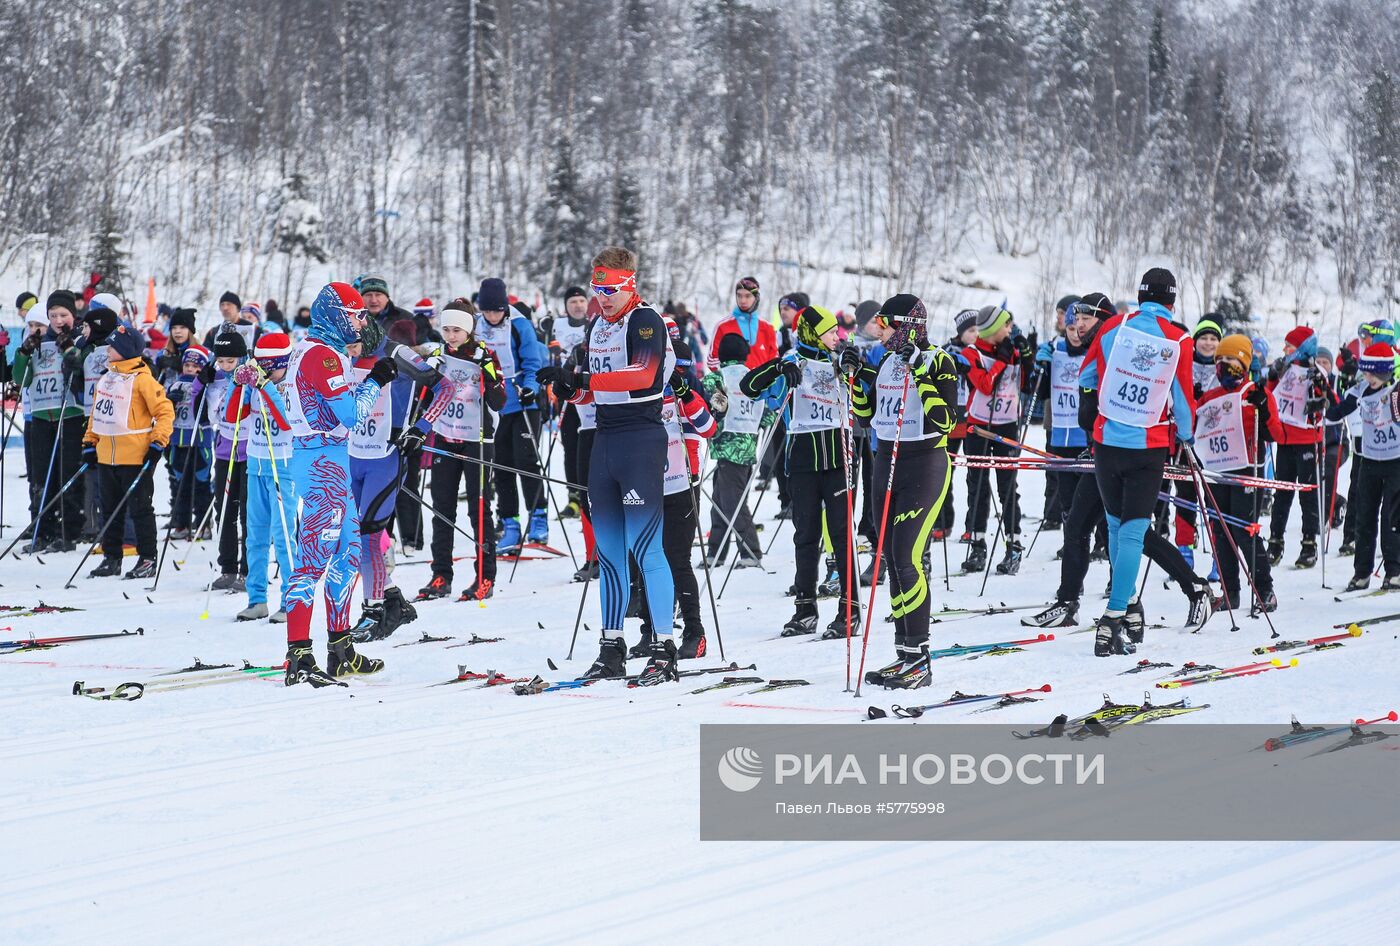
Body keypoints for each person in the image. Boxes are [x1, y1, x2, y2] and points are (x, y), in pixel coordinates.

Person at [547, 247, 678, 683]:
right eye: (597, 288)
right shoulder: (598, 325)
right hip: (604, 439)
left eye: (611, 290)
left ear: (630, 284)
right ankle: (611, 647)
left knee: (646, 549)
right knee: (608, 554)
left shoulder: (645, 320)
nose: (602, 297)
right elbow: (595, 391)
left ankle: (664, 648)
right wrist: (568, 389)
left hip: (641, 438)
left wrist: (585, 380)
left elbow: (643, 374)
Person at [283, 282, 399, 685]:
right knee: (313, 560)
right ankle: (298, 653)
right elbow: (349, 414)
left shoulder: (322, 351)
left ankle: (340, 646)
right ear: (336, 316)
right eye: (356, 315)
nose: (362, 321)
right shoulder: (323, 357)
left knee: (349, 553)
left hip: (331, 458)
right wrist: (376, 381)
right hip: (320, 461)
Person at [1079, 267, 1197, 656]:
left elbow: (1088, 375)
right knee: (1131, 532)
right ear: (1171, 301)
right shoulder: (1179, 338)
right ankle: (1113, 618)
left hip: (1107, 443)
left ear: (1141, 295)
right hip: (1146, 448)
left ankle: (1129, 609)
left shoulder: (1113, 325)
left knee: (1115, 528)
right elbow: (1182, 399)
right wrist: (1186, 434)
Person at [850, 294, 959, 689]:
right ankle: (905, 654)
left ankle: (921, 657)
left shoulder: (939, 360)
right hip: (886, 463)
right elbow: (866, 416)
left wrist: (919, 371)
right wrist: (855, 377)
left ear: (908, 326)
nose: (880, 331)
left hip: (924, 462)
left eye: (887, 325)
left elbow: (946, 420)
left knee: (907, 557)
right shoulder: (885, 362)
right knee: (890, 558)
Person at [742, 305, 858, 638]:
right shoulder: (794, 361)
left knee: (840, 534)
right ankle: (805, 609)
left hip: (838, 459)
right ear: (811, 333)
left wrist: (856, 364)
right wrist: (779, 368)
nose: (837, 335)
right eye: (830, 331)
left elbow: (870, 386)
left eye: (837, 330)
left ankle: (849, 610)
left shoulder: (842, 361)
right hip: (803, 461)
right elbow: (751, 386)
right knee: (805, 536)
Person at [409, 299, 507, 603]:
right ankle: (441, 574)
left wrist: (488, 373)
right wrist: (427, 375)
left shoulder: (484, 355)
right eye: (447, 329)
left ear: (468, 330)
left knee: (479, 510)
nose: (451, 335)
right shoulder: (437, 354)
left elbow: (500, 401)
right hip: (445, 436)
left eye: (457, 330)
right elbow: (422, 397)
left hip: (477, 438)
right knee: (442, 508)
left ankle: (484, 576)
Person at [631, 339, 716, 659]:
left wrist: (685, 393)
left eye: (679, 369)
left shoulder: (688, 392)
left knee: (677, 560)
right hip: (647, 485)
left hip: (682, 484)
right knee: (645, 559)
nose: (672, 373)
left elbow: (708, 427)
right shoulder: (645, 391)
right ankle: (650, 630)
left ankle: (695, 632)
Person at [1194, 334, 1282, 612]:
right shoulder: (1211, 396)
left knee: (1244, 532)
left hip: (1247, 469)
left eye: (1230, 359)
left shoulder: (1255, 392)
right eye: (1219, 360)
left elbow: (1277, 434)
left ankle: (1264, 590)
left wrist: (1264, 408)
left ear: (1243, 362)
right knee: (1221, 532)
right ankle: (1230, 591)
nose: (1223, 365)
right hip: (1217, 471)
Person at [341, 316, 417, 637]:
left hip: (385, 457)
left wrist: (420, 430)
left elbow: (442, 384)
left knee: (370, 534)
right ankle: (393, 599)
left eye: (355, 345)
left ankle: (374, 613)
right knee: (356, 535)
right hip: (355, 454)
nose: (351, 352)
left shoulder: (397, 353)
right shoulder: (344, 358)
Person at [81, 322, 173, 579]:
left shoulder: (143, 379)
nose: (109, 349)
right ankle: (112, 557)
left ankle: (147, 558)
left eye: (114, 346)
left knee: (140, 509)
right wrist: (89, 442)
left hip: (136, 456)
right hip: (107, 456)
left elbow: (165, 412)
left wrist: (158, 442)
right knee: (108, 509)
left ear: (126, 350)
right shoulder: (106, 378)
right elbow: (97, 415)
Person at [224, 333, 299, 623]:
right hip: (255, 464)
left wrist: (265, 385)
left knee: (283, 538)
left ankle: (292, 600)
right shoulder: (256, 385)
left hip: (283, 466)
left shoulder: (291, 384)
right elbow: (233, 416)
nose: (264, 372)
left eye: (270, 367)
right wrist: (237, 383)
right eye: (260, 366)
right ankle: (257, 599)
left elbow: (285, 421)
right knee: (254, 536)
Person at [474, 277, 547, 553]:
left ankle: (538, 518)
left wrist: (531, 387)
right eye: (487, 310)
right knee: (502, 465)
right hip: (494, 407)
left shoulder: (519, 325)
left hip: (523, 404)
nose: (492, 316)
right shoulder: (476, 326)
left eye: (496, 310)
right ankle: (511, 524)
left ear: (505, 307)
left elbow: (532, 362)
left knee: (526, 461)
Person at [12, 291, 87, 551]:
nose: (58, 320)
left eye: (63, 315)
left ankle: (67, 531)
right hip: (43, 415)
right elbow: (22, 377)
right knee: (42, 476)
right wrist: (23, 352)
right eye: (52, 316)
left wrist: (69, 349)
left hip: (69, 414)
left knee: (67, 473)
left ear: (72, 316)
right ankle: (42, 529)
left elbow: (79, 367)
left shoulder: (78, 339)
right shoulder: (39, 342)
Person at [960, 304, 1029, 575]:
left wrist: (1026, 356)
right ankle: (977, 545)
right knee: (977, 487)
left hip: (1007, 425)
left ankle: (1013, 545)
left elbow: (1025, 384)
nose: (1009, 330)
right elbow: (985, 385)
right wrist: (1002, 360)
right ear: (991, 330)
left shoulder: (1010, 351)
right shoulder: (970, 353)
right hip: (978, 426)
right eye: (1005, 325)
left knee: (1007, 486)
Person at [1328, 342, 1400, 592]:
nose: (1368, 378)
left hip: (1395, 461)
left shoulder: (1396, 390)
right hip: (1369, 461)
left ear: (1384, 372)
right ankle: (1362, 573)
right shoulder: (1359, 390)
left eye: (1373, 374)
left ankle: (1394, 571)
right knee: (1364, 516)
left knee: (1391, 518)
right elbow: (1336, 412)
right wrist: (1324, 404)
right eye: (1366, 373)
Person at [698, 333, 765, 567]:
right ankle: (716, 552)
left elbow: (701, 397)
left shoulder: (716, 379)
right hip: (748, 448)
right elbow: (767, 416)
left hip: (727, 448)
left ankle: (750, 552)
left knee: (732, 503)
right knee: (719, 500)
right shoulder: (755, 379)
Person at [1265, 326, 1326, 568]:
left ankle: (1309, 543)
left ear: (1301, 348)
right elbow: (1270, 395)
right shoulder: (1285, 369)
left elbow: (1327, 400)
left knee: (1308, 493)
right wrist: (1272, 375)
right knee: (1282, 492)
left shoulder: (1315, 371)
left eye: (1289, 346)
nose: (1284, 350)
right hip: (1285, 439)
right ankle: (1275, 541)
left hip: (1307, 440)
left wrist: (1319, 393)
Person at [204, 333, 250, 591]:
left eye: (230, 360)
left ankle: (248, 569)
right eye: (220, 361)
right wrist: (202, 384)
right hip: (224, 452)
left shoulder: (251, 379)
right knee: (224, 511)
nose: (224, 366)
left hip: (249, 452)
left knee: (247, 513)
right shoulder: (217, 379)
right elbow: (205, 412)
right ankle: (228, 568)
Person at [934, 309, 978, 540]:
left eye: (978, 330)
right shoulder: (946, 351)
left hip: (973, 422)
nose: (975, 334)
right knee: (943, 475)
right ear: (961, 332)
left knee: (975, 477)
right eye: (971, 330)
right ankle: (942, 522)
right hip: (950, 422)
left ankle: (973, 526)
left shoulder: (981, 353)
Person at [550, 286, 591, 520]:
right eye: (573, 301)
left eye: (581, 301)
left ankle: (590, 494)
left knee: (589, 444)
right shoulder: (557, 325)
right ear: (566, 305)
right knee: (570, 446)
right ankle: (574, 498)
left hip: (587, 390)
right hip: (563, 393)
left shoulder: (595, 324)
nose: (577, 305)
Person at [164, 345, 212, 542]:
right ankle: (181, 523)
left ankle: (203, 523)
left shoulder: (205, 385)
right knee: (180, 484)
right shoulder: (175, 385)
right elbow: (166, 412)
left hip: (199, 442)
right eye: (187, 365)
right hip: (178, 441)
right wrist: (170, 402)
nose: (190, 369)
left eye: (195, 366)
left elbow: (210, 412)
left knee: (201, 483)